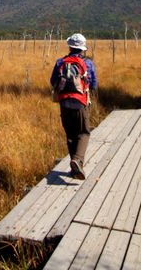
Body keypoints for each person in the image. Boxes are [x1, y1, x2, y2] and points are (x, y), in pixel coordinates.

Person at [50, 33, 98, 180]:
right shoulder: (88, 63)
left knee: (70, 133)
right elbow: (94, 84)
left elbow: (53, 81)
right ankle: (78, 161)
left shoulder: (60, 61)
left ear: (70, 46)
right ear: (83, 48)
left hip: (64, 101)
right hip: (80, 101)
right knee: (83, 132)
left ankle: (74, 168)